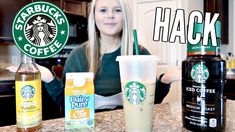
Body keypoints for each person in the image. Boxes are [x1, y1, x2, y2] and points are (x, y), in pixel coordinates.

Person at [8, 0, 181, 110]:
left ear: (125, 17)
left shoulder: (140, 54)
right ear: (94, 17)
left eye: (118, 10)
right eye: (103, 10)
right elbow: (66, 103)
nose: (110, 16)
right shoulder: (78, 56)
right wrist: (49, 79)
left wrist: (164, 80)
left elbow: (150, 103)